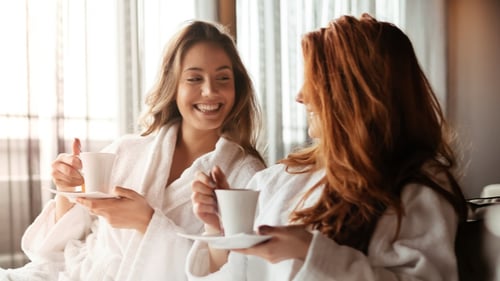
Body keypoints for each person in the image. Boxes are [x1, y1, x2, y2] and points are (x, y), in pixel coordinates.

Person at [186, 13, 467, 280]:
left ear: (358, 92)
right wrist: (218, 228)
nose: (300, 95)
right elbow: (238, 275)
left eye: (316, 81)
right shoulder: (280, 180)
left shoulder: (416, 189)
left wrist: (311, 252)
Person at [1, 20, 266, 281]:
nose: (210, 91)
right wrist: (68, 191)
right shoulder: (128, 149)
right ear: (173, 85)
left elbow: (237, 270)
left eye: (223, 78)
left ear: (237, 86)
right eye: (194, 78)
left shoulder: (247, 175)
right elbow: (57, 246)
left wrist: (147, 222)